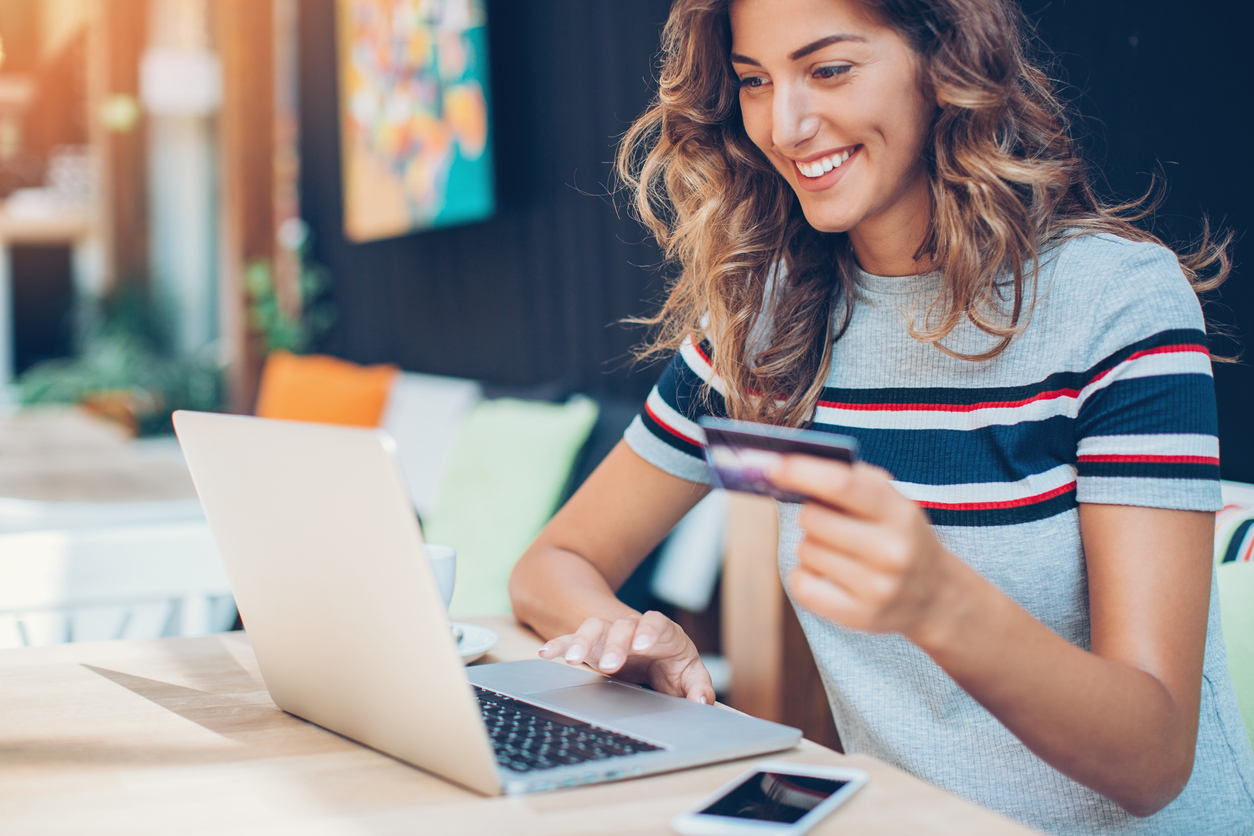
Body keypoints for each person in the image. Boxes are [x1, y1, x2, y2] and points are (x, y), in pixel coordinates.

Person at [507, 0, 1254, 833]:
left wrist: (941, 603)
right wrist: (627, 636)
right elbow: (553, 562)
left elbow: (1152, 761)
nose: (785, 125)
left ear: (946, 61)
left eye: (828, 70)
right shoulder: (765, 330)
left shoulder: (1116, 305)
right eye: (755, 82)